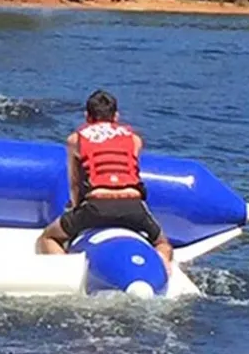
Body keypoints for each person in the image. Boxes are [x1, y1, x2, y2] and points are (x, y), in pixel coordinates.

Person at [35, 89, 173, 270]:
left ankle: (65, 272)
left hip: (97, 206)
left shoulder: (75, 140)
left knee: (48, 237)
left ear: (87, 116)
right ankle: (162, 268)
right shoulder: (134, 140)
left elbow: (76, 183)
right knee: (163, 243)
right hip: (133, 205)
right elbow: (130, 173)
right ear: (116, 116)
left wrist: (76, 209)